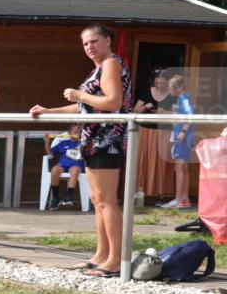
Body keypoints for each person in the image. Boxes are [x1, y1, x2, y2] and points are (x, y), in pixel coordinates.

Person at [30, 24, 132, 277]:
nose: (89, 47)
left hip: (107, 139)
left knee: (107, 201)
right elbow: (83, 109)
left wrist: (79, 95)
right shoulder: (98, 68)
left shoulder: (111, 64)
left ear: (108, 40)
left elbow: (112, 102)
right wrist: (49, 111)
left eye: (94, 41)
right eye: (85, 43)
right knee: (98, 201)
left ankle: (116, 261)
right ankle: (101, 255)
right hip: (92, 139)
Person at [132, 68, 175, 200]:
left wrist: (163, 113)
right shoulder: (146, 92)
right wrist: (145, 107)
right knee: (144, 161)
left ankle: (161, 194)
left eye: (162, 83)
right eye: (157, 82)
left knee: (162, 163)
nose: (159, 85)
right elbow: (135, 110)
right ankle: (140, 193)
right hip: (146, 132)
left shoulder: (172, 94)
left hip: (164, 131)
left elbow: (176, 114)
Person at [159, 74, 195, 209]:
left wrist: (183, 132)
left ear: (178, 88)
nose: (169, 90)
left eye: (171, 87)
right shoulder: (183, 98)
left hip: (182, 137)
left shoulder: (183, 98)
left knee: (179, 168)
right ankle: (184, 199)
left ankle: (178, 199)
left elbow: (190, 116)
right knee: (183, 168)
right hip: (183, 136)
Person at [44, 122, 85, 210]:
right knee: (54, 170)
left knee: (75, 170)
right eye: (75, 132)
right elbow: (50, 154)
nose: (77, 134)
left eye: (79, 132)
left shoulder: (83, 143)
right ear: (69, 133)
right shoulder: (63, 142)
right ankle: (56, 198)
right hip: (62, 165)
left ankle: (68, 196)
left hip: (76, 165)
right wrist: (47, 142)